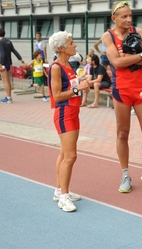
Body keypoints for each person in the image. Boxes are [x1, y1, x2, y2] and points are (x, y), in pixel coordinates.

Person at [102, 1, 142, 193]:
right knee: (122, 134)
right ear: (114, 18)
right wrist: (140, 56)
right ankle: (125, 174)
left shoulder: (139, 32)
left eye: (130, 16)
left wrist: (130, 58)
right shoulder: (108, 36)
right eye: (124, 16)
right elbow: (117, 63)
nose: (128, 19)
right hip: (121, 90)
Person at [48, 31, 89, 212]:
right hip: (64, 112)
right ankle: (63, 196)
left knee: (65, 153)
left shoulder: (68, 66)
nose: (75, 45)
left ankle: (59, 190)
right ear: (62, 48)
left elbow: (69, 87)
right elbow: (57, 96)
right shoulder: (56, 67)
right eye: (72, 43)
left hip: (72, 111)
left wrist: (79, 83)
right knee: (71, 156)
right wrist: (77, 88)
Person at [0, 27, 26, 104]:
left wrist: (0, 64)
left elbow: (2, 55)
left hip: (3, 64)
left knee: (5, 81)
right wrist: (21, 59)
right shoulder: (8, 41)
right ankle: (8, 96)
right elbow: (14, 51)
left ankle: (9, 98)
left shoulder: (0, 42)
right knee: (8, 81)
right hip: (9, 63)